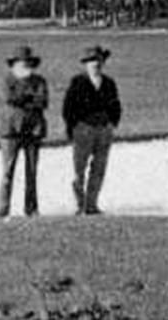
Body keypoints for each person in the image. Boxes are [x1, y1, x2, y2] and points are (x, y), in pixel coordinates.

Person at [62, 45, 122, 215]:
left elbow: (115, 105)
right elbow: (68, 108)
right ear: (86, 64)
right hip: (84, 129)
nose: (95, 64)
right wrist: (73, 128)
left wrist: (112, 124)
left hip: (103, 130)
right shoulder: (78, 82)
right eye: (91, 61)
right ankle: (79, 204)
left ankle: (91, 204)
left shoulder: (109, 83)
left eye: (98, 60)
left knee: (99, 169)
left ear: (103, 62)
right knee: (78, 170)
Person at [0, 45, 49, 219]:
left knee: (32, 172)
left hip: (33, 129)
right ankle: (3, 209)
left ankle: (31, 208)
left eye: (26, 62)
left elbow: (43, 101)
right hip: (11, 130)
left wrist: (25, 99)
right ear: (15, 63)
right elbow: (9, 98)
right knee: (7, 171)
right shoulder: (7, 79)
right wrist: (29, 98)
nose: (24, 65)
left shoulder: (39, 81)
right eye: (21, 62)